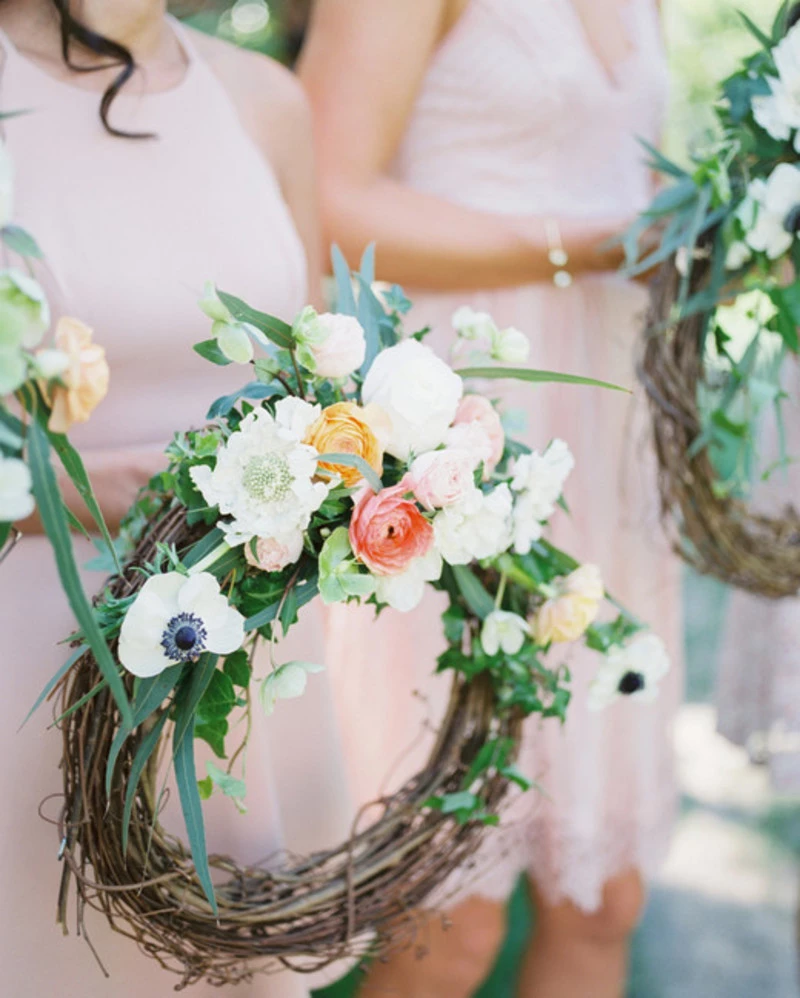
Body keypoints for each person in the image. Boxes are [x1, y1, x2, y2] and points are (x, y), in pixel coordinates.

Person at [299, 2, 682, 996]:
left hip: (606, 430)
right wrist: (581, 246)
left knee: (601, 900)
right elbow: (325, 194)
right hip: (459, 424)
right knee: (449, 916)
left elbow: (633, 182)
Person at [0, 2, 345, 995]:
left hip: (248, 652)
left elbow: (316, 373)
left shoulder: (264, 99)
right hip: (35, 636)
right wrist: (60, 495)